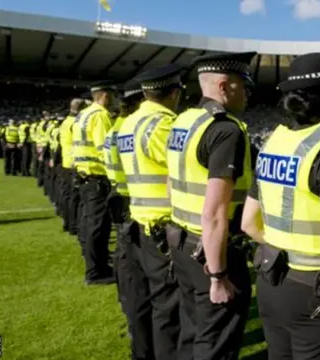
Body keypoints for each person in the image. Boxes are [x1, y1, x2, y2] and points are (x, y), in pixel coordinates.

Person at [241, 52, 320, 360]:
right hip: (315, 289)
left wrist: (283, 249)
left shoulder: (273, 142)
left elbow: (248, 223)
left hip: (271, 279)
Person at [165, 51, 256, 360]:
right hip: (211, 252)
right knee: (215, 342)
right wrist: (218, 276)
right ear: (223, 86)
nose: (246, 92)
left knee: (191, 332)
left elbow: (171, 181)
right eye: (242, 85)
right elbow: (216, 212)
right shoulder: (225, 130)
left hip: (180, 241)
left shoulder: (184, 121)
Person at [118, 64, 185, 360]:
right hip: (162, 227)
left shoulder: (129, 123)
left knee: (142, 302)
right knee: (168, 309)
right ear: (173, 93)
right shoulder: (162, 125)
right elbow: (181, 174)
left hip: (138, 223)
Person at [103, 79, 144, 349]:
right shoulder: (134, 128)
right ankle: (137, 324)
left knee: (124, 263)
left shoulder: (116, 129)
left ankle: (131, 317)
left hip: (120, 195)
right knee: (136, 272)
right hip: (135, 201)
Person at [73, 80, 118, 285]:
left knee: (90, 223)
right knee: (98, 226)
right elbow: (105, 149)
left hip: (84, 175)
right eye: (113, 96)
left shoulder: (84, 114)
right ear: (105, 95)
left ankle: (97, 265)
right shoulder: (100, 115)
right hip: (98, 176)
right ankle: (96, 272)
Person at [57, 98, 87, 235]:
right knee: (76, 198)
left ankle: (68, 223)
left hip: (66, 162)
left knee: (68, 195)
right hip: (74, 163)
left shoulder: (65, 122)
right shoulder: (75, 123)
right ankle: (74, 225)